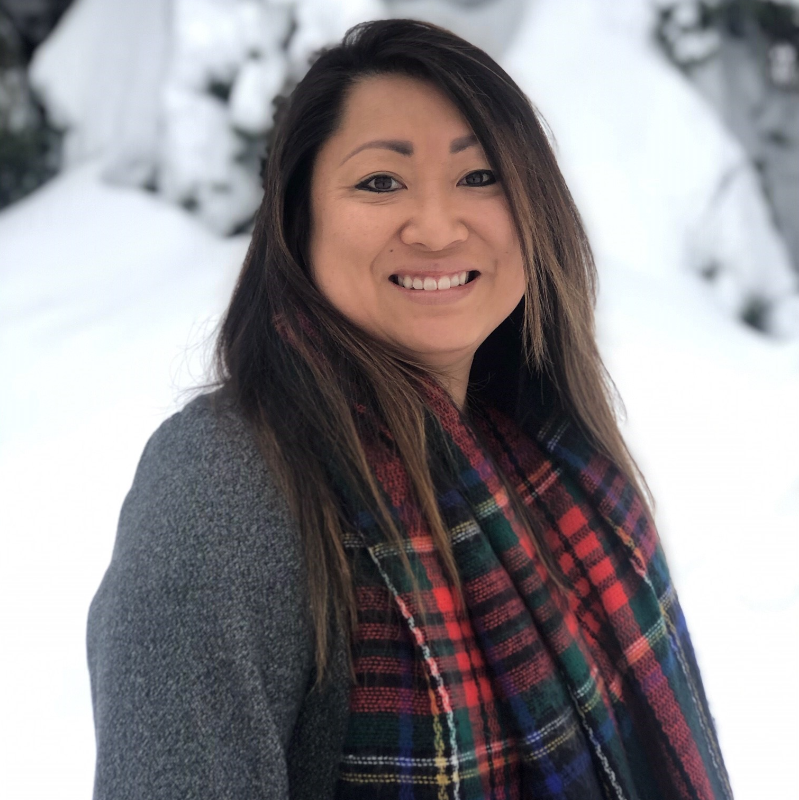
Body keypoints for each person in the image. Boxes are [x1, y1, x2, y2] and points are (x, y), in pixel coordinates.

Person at [87, 18, 734, 800]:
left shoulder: (549, 458)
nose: (435, 226)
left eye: (480, 176)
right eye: (380, 182)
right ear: (299, 221)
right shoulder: (226, 483)